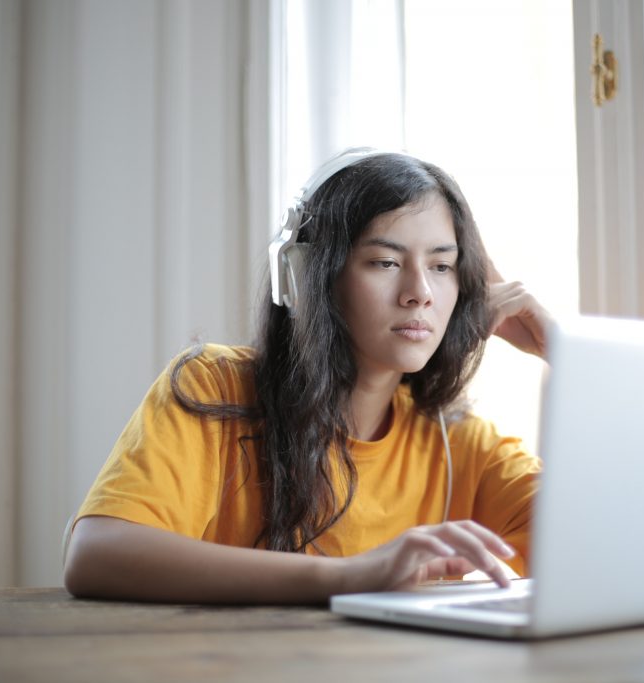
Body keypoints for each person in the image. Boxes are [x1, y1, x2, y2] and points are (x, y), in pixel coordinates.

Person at [63, 149, 551, 604]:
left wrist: (561, 352)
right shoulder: (214, 387)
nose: (420, 292)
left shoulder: (461, 443)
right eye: (385, 262)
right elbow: (97, 553)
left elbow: (613, 543)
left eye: (442, 266)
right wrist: (354, 576)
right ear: (305, 276)